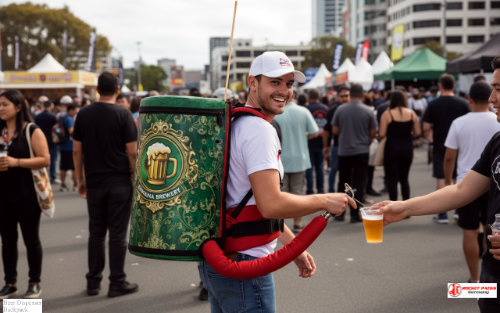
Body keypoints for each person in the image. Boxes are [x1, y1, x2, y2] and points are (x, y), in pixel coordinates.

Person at [198, 51, 355, 313]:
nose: (284, 90)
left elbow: (249, 204)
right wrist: (326, 200)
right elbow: (270, 204)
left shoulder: (236, 123)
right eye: (275, 82)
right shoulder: (259, 130)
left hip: (223, 259)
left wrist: (294, 248)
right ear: (253, 82)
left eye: (289, 84)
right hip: (246, 265)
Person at [371, 56, 500, 313]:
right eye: (493, 89)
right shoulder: (497, 140)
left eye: (499, 90)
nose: (493, 98)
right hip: (493, 274)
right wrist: (403, 207)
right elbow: (462, 190)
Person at [72, 72, 139, 298]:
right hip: (119, 181)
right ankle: (117, 282)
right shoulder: (124, 114)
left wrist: (79, 179)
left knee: (96, 233)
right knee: (118, 234)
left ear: (97, 90)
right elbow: (132, 152)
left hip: (94, 181)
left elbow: (77, 149)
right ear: (117, 90)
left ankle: (93, 281)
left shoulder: (83, 114)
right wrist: (136, 177)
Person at [443, 81, 500, 284]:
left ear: (469, 99)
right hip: (486, 183)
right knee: (491, 232)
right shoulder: (496, 127)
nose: (494, 98)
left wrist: (447, 179)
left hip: (466, 180)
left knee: (470, 231)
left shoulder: (460, 122)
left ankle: (475, 280)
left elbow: (450, 156)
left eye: (499, 89)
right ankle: (487, 282)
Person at [0, 90, 50, 299]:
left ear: (18, 107)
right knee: (7, 241)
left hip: (27, 195)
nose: (1, 108)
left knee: (31, 239)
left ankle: (34, 282)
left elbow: (45, 159)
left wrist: (16, 162)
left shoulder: (31, 130)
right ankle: (10, 282)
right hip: (3, 195)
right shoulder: (0, 131)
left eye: (5, 104)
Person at [422, 74, 470, 223]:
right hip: (461, 145)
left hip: (440, 144)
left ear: (440, 87)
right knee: (459, 176)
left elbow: (425, 127)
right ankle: (459, 210)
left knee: (442, 177)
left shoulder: (433, 104)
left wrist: (429, 137)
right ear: (454, 86)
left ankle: (442, 213)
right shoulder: (463, 103)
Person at [274, 91, 319, 233]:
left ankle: (281, 226)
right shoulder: (303, 111)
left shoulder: (276, 113)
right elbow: (315, 132)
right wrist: (304, 136)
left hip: (280, 160)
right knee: (298, 194)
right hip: (300, 158)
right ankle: (298, 223)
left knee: (281, 194)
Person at [332, 83, 377, 222]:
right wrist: (366, 141)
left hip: (344, 150)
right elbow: (373, 133)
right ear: (363, 95)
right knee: (359, 182)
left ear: (350, 94)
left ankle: (340, 214)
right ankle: (355, 214)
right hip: (362, 150)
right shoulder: (368, 111)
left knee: (343, 182)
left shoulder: (340, 109)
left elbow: (335, 130)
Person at [378, 90, 421, 201]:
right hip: (407, 148)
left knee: (392, 180)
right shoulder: (411, 113)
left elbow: (382, 134)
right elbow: (418, 133)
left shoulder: (387, 114)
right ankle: (406, 208)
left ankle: (393, 207)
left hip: (391, 149)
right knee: (404, 179)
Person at [323, 85, 351, 192]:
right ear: (337, 97)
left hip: (351, 147)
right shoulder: (333, 110)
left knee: (349, 174)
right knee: (333, 170)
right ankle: (331, 191)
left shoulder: (353, 109)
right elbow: (327, 130)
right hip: (337, 146)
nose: (344, 98)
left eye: (346, 96)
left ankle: (350, 194)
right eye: (342, 96)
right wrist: (326, 146)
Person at [305, 89, 329, 195]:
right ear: (318, 97)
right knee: (320, 167)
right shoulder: (326, 108)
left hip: (309, 141)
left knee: (309, 167)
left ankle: (310, 190)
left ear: (309, 98)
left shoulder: (307, 109)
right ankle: (321, 189)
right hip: (322, 141)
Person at [34, 99, 58, 183]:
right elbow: (56, 129)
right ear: (51, 106)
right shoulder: (53, 116)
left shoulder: (38, 116)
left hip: (40, 139)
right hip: (52, 140)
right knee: (53, 159)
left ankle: (44, 175)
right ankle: (53, 176)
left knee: (41, 158)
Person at [59, 104, 79, 191]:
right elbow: (71, 131)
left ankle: (63, 185)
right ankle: (75, 185)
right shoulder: (69, 119)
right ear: (71, 110)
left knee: (63, 167)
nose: (76, 112)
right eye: (75, 110)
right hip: (69, 146)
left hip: (62, 145)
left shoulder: (62, 117)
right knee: (73, 167)